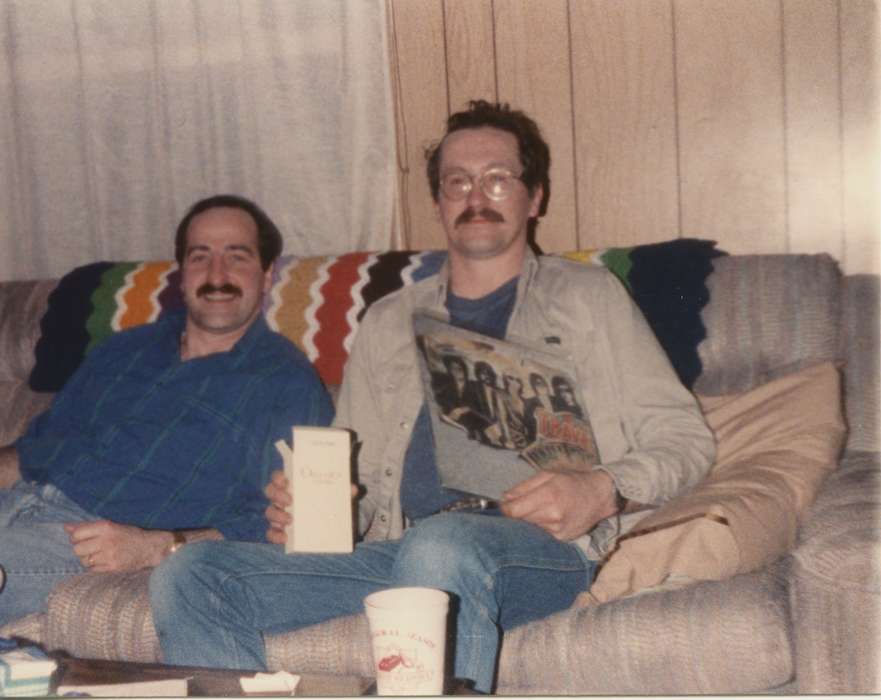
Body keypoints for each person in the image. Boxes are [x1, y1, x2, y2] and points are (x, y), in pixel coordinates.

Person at [150, 102, 715, 692]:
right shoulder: (388, 320)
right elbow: (361, 486)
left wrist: (600, 489)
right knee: (189, 574)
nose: (476, 195)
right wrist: (317, 509)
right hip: (401, 549)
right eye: (457, 182)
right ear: (441, 201)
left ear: (535, 197)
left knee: (441, 547)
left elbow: (685, 439)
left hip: (540, 551)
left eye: (497, 178)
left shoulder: (590, 299)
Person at [0, 194, 334, 626]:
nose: (218, 275)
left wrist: (155, 546)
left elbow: (276, 526)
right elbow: (32, 452)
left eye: (237, 257)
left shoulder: (286, 385)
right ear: (181, 274)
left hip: (88, 540)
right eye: (200, 257)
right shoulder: (124, 349)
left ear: (266, 275)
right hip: (19, 502)